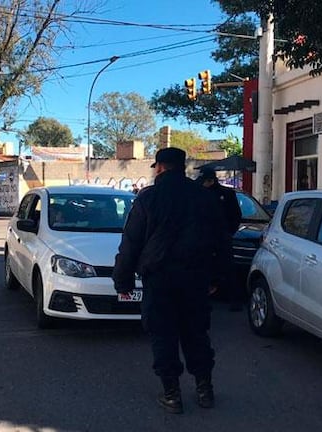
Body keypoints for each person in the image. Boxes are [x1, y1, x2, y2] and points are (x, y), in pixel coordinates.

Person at [113, 147, 226, 414]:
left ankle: (172, 394)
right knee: (196, 333)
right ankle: (204, 389)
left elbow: (131, 242)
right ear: (182, 166)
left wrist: (123, 281)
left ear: (160, 167)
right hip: (196, 277)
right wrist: (219, 277)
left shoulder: (148, 198)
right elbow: (221, 241)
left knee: (163, 335)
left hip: (160, 278)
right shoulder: (204, 197)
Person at [197, 167, 243, 311]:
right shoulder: (198, 194)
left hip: (221, 238)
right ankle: (203, 300)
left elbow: (235, 215)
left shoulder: (226, 194)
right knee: (202, 269)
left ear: (210, 181)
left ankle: (235, 300)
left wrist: (229, 232)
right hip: (203, 239)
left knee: (228, 270)